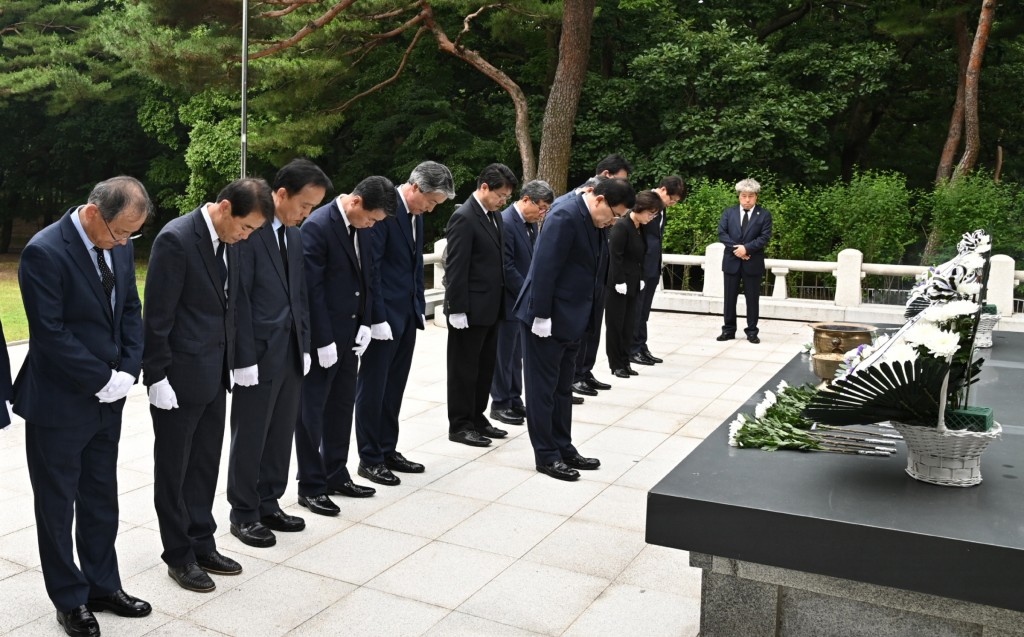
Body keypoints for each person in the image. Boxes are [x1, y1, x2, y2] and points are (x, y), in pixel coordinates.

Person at [15, 176, 152, 636]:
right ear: (94, 213)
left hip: (108, 399)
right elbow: (49, 332)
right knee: (57, 505)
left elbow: (131, 309)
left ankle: (101, 584)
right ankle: (69, 599)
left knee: (100, 498)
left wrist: (127, 371)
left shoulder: (120, 242)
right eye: (120, 233)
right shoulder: (44, 251)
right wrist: (100, 377)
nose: (125, 242)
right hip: (59, 402)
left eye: (133, 234)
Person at [144, 178, 274, 593]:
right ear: (223, 208)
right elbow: (158, 315)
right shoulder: (176, 239)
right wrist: (157, 375)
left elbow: (233, 305)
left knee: (204, 465)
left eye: (253, 231)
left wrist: (238, 361)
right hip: (178, 378)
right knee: (174, 470)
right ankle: (179, 555)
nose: (247, 236)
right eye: (246, 227)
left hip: (215, 374)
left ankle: (202, 540)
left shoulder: (231, 243)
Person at [226, 159, 332, 548]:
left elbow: (299, 295)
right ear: (281, 194)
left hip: (290, 351)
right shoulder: (249, 232)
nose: (307, 214)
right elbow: (239, 299)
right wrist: (243, 358)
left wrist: (304, 344)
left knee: (280, 432)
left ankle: (269, 500)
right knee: (251, 434)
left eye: (314, 208)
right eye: (304, 205)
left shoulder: (296, 236)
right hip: (257, 353)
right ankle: (243, 512)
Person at [514, 178, 635, 481]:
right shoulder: (564, 215)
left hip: (573, 318)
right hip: (548, 319)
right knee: (543, 391)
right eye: (614, 214)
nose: (614, 221)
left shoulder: (594, 221)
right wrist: (541, 316)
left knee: (562, 389)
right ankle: (546, 455)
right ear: (599, 200)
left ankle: (563, 446)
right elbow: (544, 267)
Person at [295, 176, 397, 516]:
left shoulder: (363, 228)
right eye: (370, 218)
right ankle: (310, 485)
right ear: (355, 203)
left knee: (341, 407)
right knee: (312, 413)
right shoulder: (319, 226)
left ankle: (335, 472)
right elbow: (313, 289)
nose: (371, 225)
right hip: (325, 338)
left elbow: (369, 277)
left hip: (351, 335)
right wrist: (322, 340)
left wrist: (367, 322)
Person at [356, 161, 455, 486]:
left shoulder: (415, 216)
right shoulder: (385, 209)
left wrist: (415, 306)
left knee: (394, 387)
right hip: (383, 319)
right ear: (415, 188)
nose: (431, 209)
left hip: (406, 315)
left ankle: (387, 448)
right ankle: (370, 457)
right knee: (373, 388)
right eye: (431, 201)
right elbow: (373, 269)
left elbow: (413, 266)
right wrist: (377, 318)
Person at [444, 163, 519, 448]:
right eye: (500, 195)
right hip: (470, 309)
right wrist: (457, 308)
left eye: (507, 197)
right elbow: (456, 266)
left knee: (485, 366)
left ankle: (477, 416)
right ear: (484, 187)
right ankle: (460, 424)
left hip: (492, 307)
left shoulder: (494, 216)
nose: (503, 201)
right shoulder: (464, 217)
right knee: (464, 369)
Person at [489, 180, 554, 425]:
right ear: (526, 199)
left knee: (517, 355)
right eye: (542, 207)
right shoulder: (506, 222)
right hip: (508, 299)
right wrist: (527, 292)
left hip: (522, 301)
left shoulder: (531, 224)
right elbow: (506, 266)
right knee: (503, 355)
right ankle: (500, 402)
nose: (543, 213)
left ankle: (514, 398)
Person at [569, 154, 634, 399]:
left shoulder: (609, 199)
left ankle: (585, 371)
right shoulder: (583, 196)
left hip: (599, 271)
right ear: (607, 175)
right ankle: (574, 375)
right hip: (584, 273)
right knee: (582, 328)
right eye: (622, 180)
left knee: (594, 325)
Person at [606, 191, 663, 378]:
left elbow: (640, 256)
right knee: (616, 325)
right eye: (650, 213)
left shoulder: (642, 227)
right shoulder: (622, 226)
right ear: (639, 209)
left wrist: (639, 278)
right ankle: (616, 364)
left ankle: (625, 360)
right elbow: (615, 257)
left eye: (654, 214)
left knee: (629, 324)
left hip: (634, 280)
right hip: (618, 283)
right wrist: (619, 281)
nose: (651, 217)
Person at [630, 176, 685, 366]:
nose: (673, 203)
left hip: (652, 266)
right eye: (673, 199)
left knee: (644, 311)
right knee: (636, 310)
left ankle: (641, 346)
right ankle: (632, 349)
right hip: (640, 266)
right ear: (663, 190)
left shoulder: (661, 210)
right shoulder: (643, 202)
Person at [717, 178, 773, 344]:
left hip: (753, 262)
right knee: (729, 298)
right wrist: (739, 250)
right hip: (731, 261)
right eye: (743, 196)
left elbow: (764, 237)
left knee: (752, 298)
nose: (747, 200)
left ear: (756, 196)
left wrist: (746, 249)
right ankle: (728, 330)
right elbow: (722, 233)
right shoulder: (729, 212)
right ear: (739, 196)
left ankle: (752, 331)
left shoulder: (764, 214)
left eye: (750, 196)